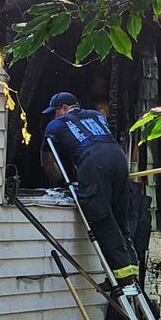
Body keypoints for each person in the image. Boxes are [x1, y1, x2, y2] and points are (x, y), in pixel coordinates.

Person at [41, 91, 140, 284]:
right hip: (118, 158)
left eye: (54, 112)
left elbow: (47, 162)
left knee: (100, 214)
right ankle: (131, 269)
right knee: (120, 214)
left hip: (92, 161)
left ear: (63, 108)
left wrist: (60, 181)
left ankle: (121, 276)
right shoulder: (96, 115)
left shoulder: (55, 125)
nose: (53, 116)